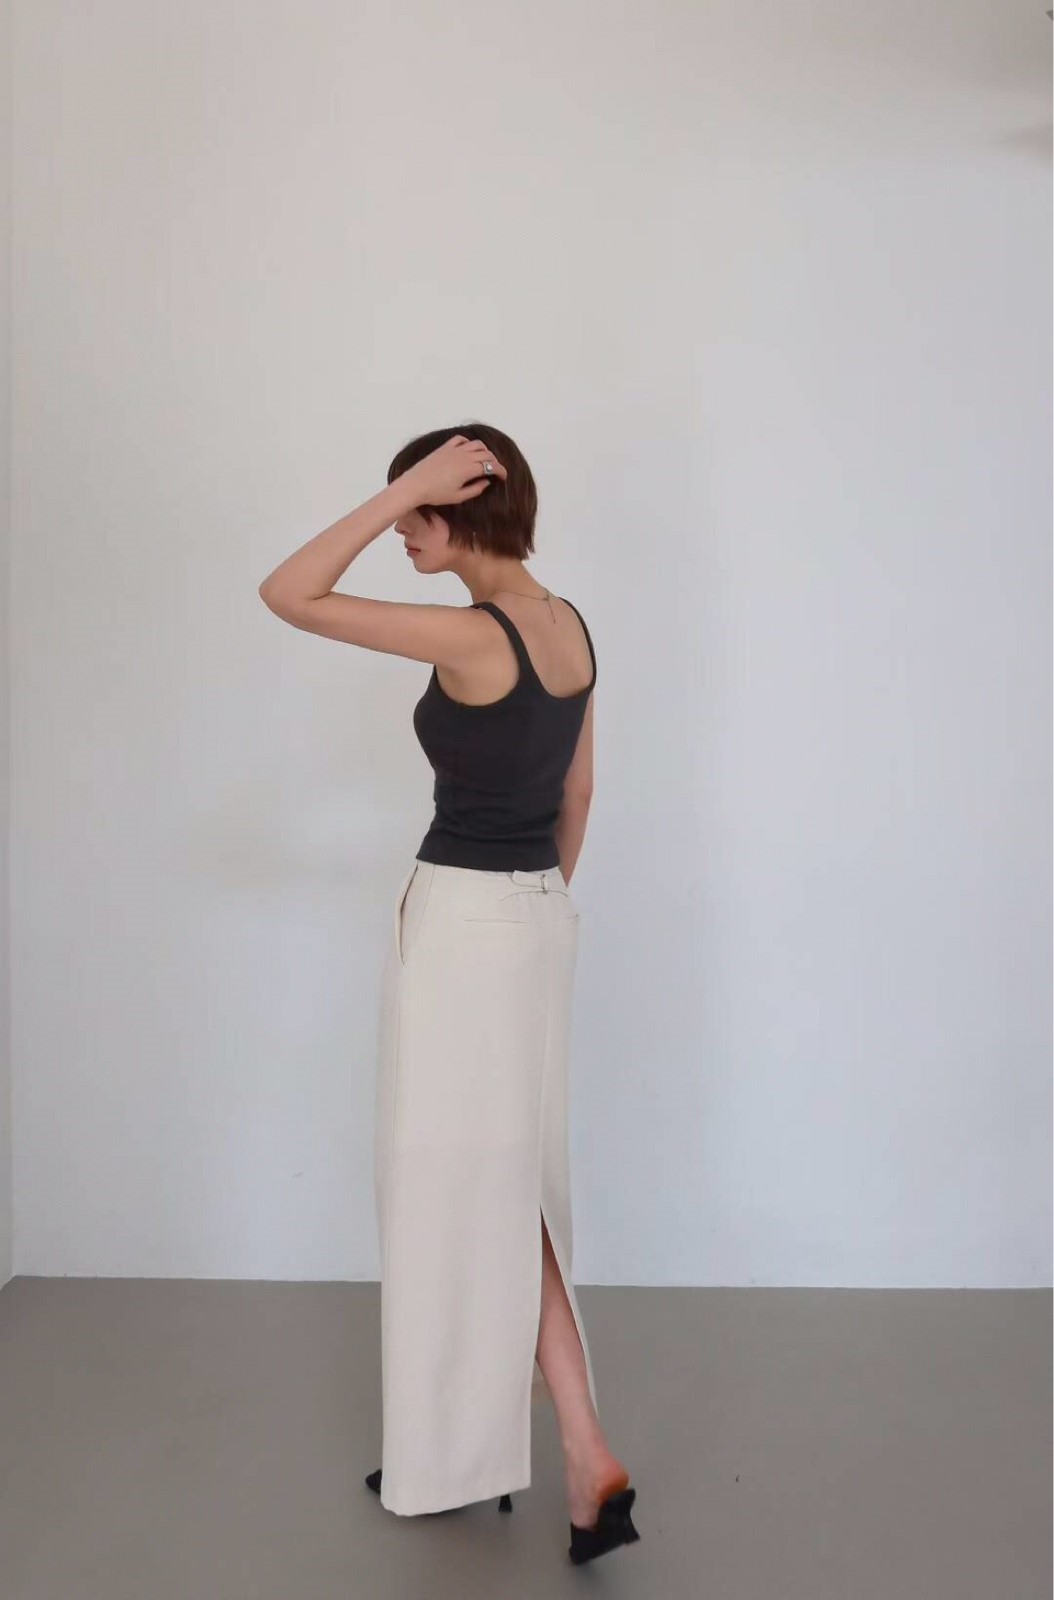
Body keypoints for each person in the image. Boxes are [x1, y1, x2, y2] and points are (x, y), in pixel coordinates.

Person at [259, 424, 640, 1565]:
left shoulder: (474, 635)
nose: (402, 534)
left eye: (414, 514)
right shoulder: (567, 623)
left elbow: (287, 592)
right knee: (510, 1189)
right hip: (538, 920)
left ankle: (472, 1457)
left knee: (441, 1190)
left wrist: (401, 492)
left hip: (464, 924)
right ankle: (577, 1451)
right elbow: (579, 793)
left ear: (456, 505)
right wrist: (532, 907)